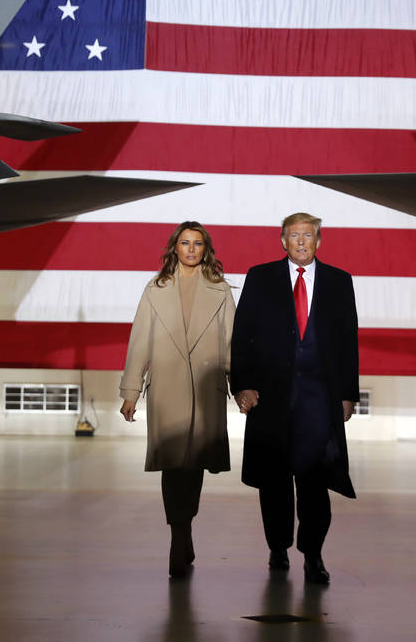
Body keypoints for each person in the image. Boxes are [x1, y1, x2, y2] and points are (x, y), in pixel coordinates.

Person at [230, 212, 359, 585]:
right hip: (271, 399)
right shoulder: (260, 277)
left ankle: (313, 554)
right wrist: (242, 385)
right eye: (294, 236)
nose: (302, 242)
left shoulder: (339, 281)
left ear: (319, 241)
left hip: (319, 401)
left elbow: (348, 341)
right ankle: (277, 547)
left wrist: (348, 394)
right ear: (282, 241)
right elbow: (243, 337)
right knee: (274, 482)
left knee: (315, 481)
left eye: (308, 235)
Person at [119, 221, 236, 577]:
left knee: (195, 466)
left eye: (197, 244)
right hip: (168, 388)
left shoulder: (220, 290)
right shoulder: (156, 289)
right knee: (172, 467)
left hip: (204, 388)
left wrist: (242, 386)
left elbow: (233, 342)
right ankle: (179, 536)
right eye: (184, 243)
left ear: (205, 249)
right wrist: (130, 391)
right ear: (174, 247)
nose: (190, 249)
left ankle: (184, 530)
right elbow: (139, 340)